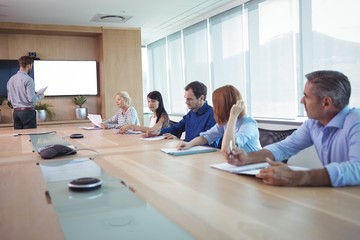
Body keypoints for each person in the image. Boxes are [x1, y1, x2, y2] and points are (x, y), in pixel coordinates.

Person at [225, 70, 360, 187]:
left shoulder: (356, 121)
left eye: (307, 96)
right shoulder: (313, 123)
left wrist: (298, 177)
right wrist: (248, 157)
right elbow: (284, 147)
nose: (302, 101)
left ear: (326, 102)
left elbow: (357, 168)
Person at [177, 85, 261, 152]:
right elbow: (206, 137)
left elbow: (228, 148)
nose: (215, 108)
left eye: (217, 105)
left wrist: (232, 117)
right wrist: (189, 144)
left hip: (254, 168)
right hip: (238, 164)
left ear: (225, 105)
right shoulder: (225, 122)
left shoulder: (249, 124)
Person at [145, 81, 218, 147]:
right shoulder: (191, 113)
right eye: (186, 99)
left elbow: (209, 143)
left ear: (201, 98)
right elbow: (176, 128)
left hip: (205, 156)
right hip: (189, 153)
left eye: (189, 99)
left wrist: (182, 141)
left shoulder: (213, 115)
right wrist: (158, 133)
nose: (186, 102)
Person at [7, 56, 44, 129]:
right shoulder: (28, 79)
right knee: (31, 138)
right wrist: (40, 97)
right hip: (27, 113)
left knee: (19, 138)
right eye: (31, 66)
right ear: (29, 65)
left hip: (16, 113)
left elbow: (9, 99)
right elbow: (32, 99)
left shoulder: (11, 80)